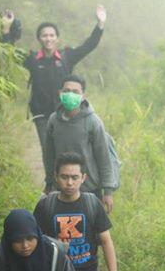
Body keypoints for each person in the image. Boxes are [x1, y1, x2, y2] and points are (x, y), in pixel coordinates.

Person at [0, 6, 107, 150]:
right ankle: (50, 174)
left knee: (66, 150)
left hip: (64, 112)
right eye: (44, 35)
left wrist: (100, 24)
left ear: (57, 38)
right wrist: (6, 28)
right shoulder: (33, 59)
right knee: (48, 151)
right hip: (41, 115)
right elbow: (9, 52)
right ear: (39, 38)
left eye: (52, 35)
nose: (48, 38)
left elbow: (89, 45)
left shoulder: (67, 57)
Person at [42, 74, 115, 213]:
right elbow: (49, 155)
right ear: (60, 93)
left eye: (75, 92)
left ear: (83, 95)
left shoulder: (93, 121)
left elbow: (103, 158)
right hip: (61, 188)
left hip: (89, 189)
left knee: (92, 231)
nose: (70, 94)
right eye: (66, 91)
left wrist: (108, 192)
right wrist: (49, 182)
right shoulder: (53, 121)